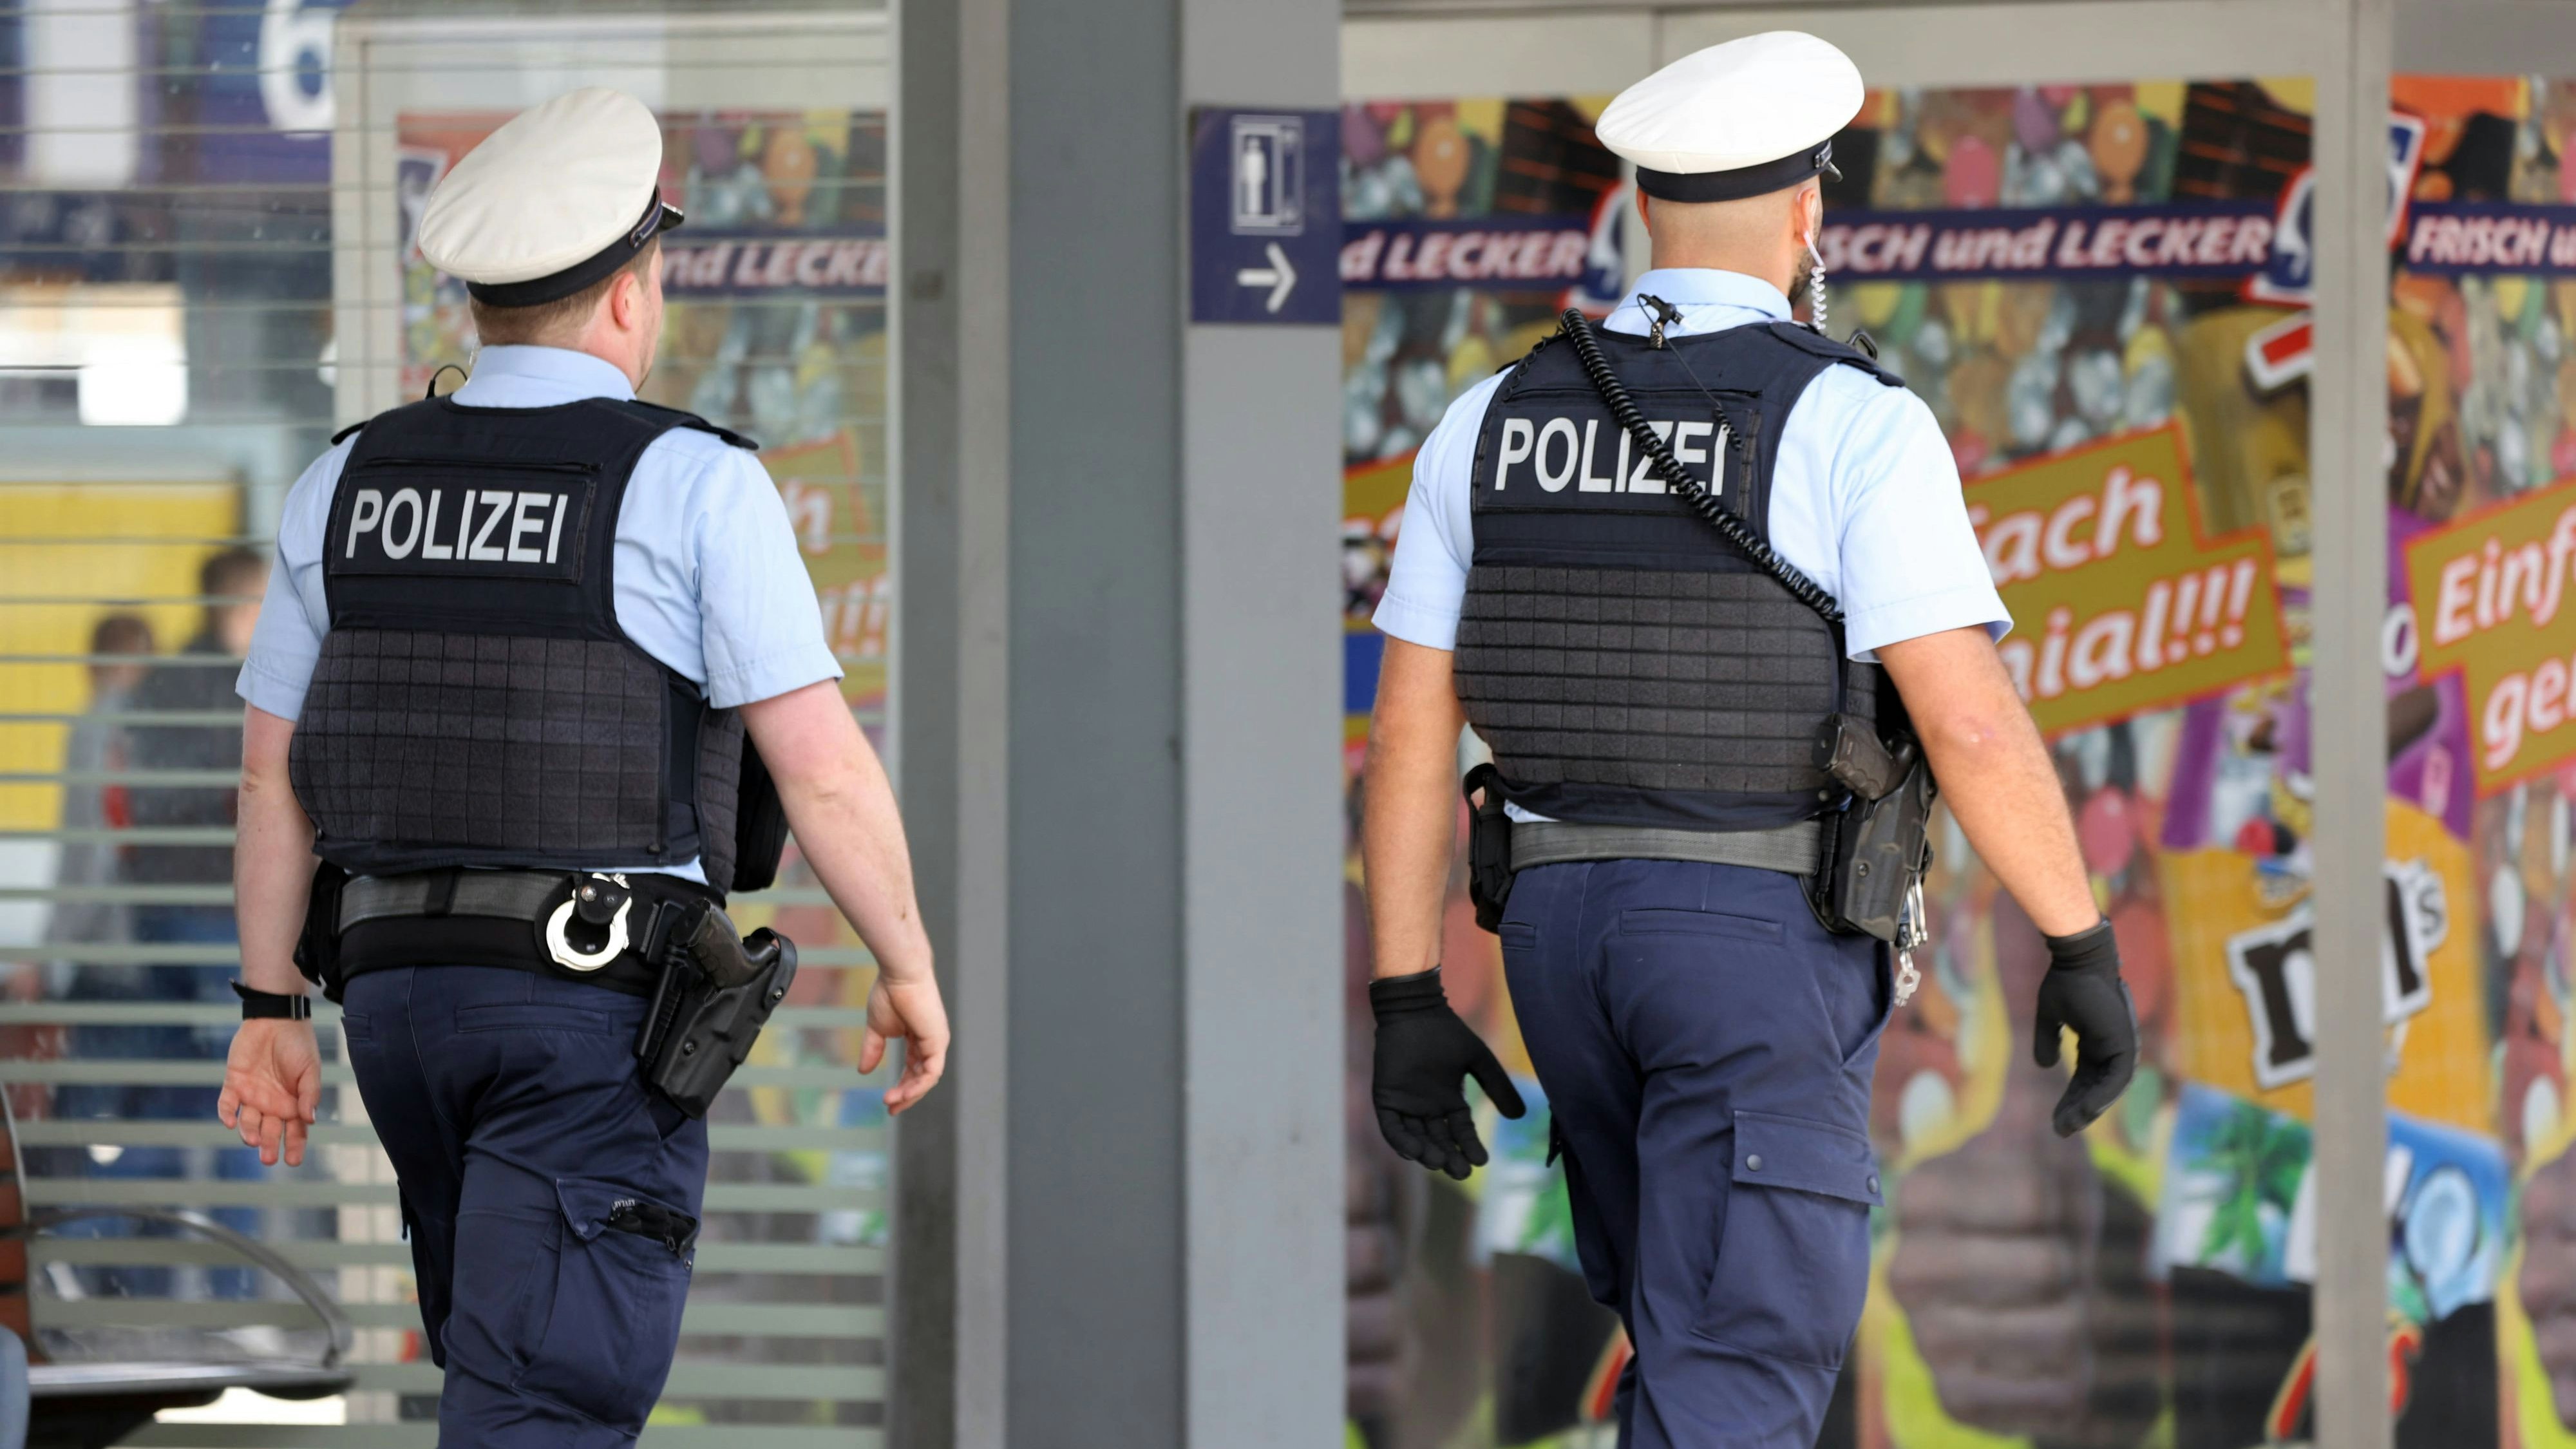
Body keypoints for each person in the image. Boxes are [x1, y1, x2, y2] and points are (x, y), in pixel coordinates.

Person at [1359, 32, 2138, 1448]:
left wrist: (1407, 992)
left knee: (1683, 1342)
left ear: (1641, 207)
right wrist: (2078, 940)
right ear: (1805, 211)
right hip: (1747, 941)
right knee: (1736, 1364)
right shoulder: (1851, 423)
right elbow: (1966, 716)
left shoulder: (1487, 420)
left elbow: (1410, 729)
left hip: (1558, 944)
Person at [214, 88, 949, 1447]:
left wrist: (270, 1004)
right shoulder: (694, 484)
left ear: (479, 306)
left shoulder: (348, 482)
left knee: (500, 1371)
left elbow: (274, 780)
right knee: (543, 1405)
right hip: (585, 1016)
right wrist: (904, 963)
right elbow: (823, 772)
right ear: (629, 293)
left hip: (400, 1011)